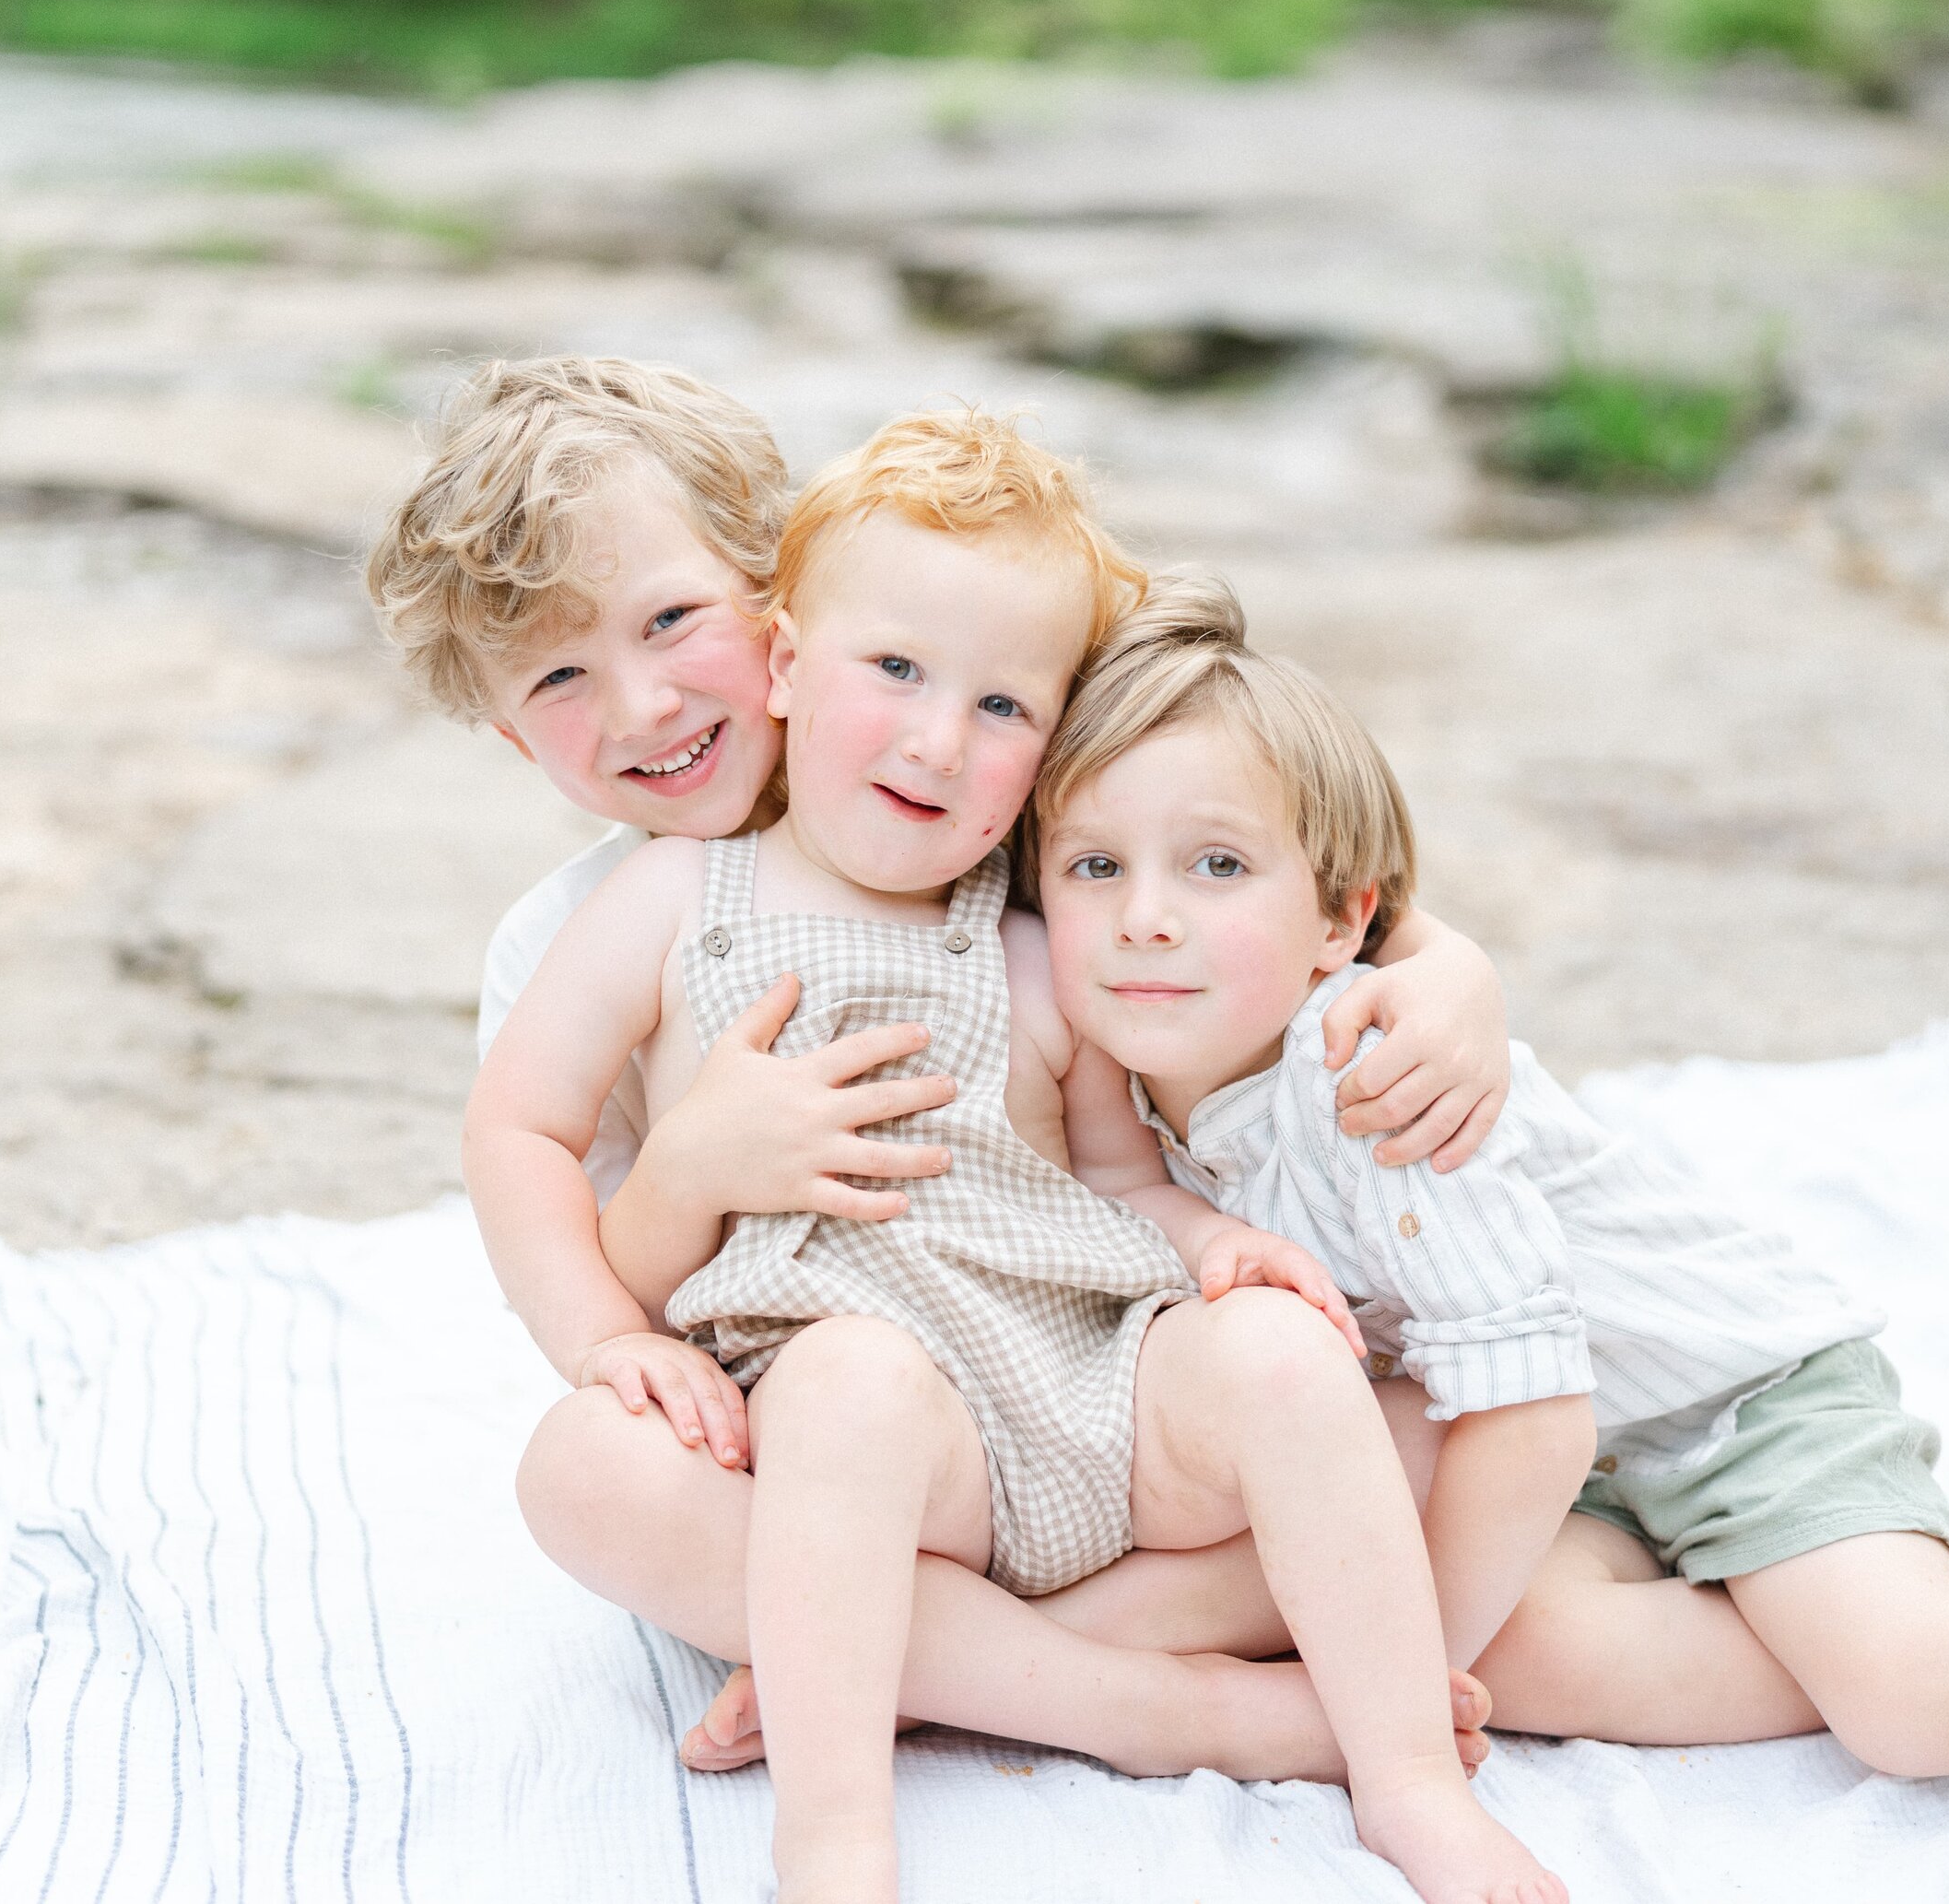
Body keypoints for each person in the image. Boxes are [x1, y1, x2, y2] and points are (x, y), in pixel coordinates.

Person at [1013, 575, 1949, 1790]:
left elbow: (1537, 1412)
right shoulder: (1141, 1056)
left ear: (1344, 920)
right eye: (1093, 868)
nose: (1144, 919)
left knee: (1921, 1702)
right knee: (1521, 1662)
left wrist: (1397, 1695)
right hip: (1570, 1457)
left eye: (1212, 865)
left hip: (1733, 1404)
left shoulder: (1371, 1079)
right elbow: (1123, 1172)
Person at [470, 409, 1561, 1904]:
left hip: (1085, 1391)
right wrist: (600, 1339)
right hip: (879, 1459)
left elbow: (1119, 1174)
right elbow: (517, 1124)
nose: (938, 737)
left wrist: (1210, 1248)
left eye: (1003, 707)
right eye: (897, 673)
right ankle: (857, 1830)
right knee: (623, 1456)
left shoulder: (1043, 924)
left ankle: (1409, 1781)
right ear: (789, 663)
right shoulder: (674, 898)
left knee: (1300, 1364)